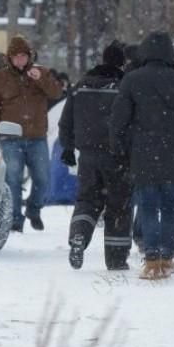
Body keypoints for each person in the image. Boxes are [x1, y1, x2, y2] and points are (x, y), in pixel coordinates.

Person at [110, 32, 174, 280]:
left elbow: (118, 119)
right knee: (171, 207)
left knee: (149, 206)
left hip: (142, 154)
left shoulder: (132, 80)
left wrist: (118, 147)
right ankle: (166, 257)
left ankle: (151, 259)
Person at [59, 40, 132, 271]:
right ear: (122, 62)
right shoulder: (123, 87)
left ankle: (79, 236)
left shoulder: (81, 86)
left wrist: (68, 149)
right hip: (117, 157)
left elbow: (65, 121)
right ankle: (116, 259)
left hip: (88, 156)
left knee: (87, 201)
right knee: (118, 206)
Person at [0, 36, 63, 232]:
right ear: (9, 58)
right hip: (10, 139)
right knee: (12, 179)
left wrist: (42, 80)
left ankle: (34, 209)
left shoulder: (41, 73)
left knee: (43, 179)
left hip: (37, 137)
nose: (20, 60)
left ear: (29, 56)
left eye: (23, 56)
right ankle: (15, 220)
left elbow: (56, 93)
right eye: (16, 57)